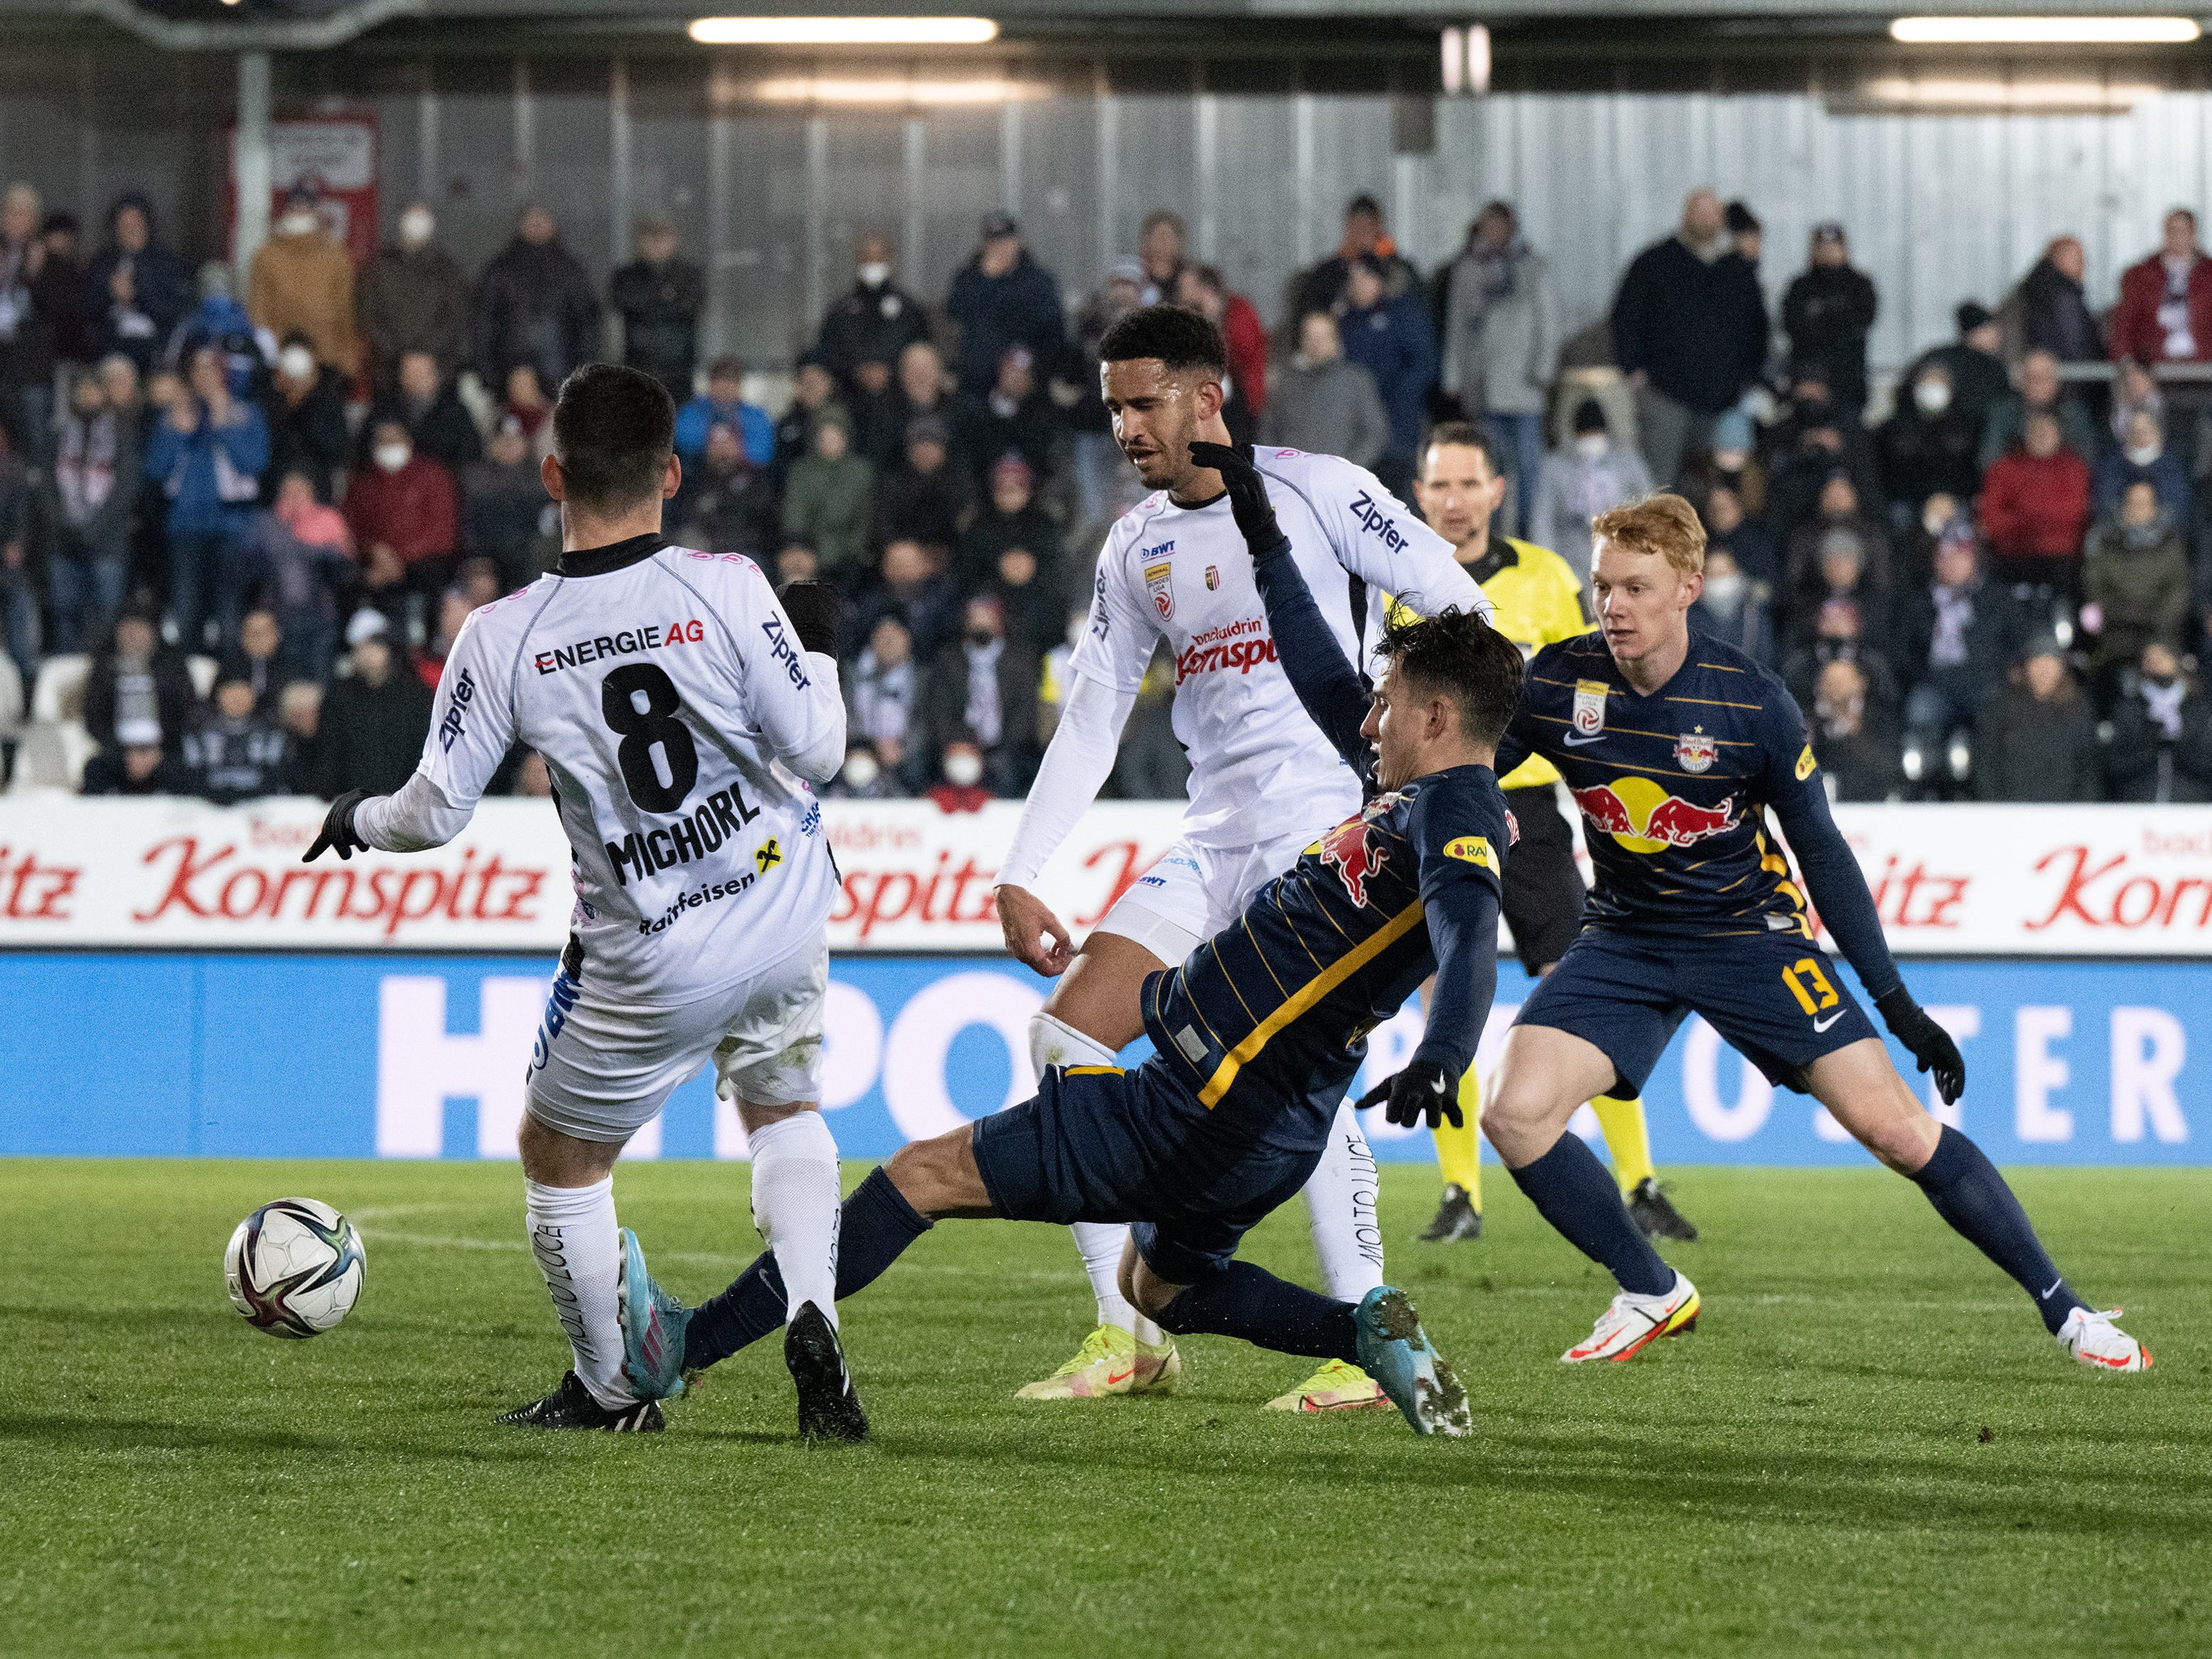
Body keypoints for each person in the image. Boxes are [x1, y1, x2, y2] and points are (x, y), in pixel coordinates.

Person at [624, 555, 1514, 1439]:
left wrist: (1445, 1049)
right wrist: (1270, 549)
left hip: (1195, 1104)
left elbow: (1471, 928)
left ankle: (684, 1344)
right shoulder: (1417, 795)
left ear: (1437, 716)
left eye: (1388, 702)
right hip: (1271, 1126)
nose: (1368, 720)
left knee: (918, 1174)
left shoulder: (1459, 808)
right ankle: (1362, 1329)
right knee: (1158, 1287)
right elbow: (1325, 681)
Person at [299, 362, 855, 1435]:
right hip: (783, 904)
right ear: (674, 473)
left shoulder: (503, 634)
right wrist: (817, 644)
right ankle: (812, 1307)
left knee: (560, 1156)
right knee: (783, 1109)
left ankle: (609, 1388)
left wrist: (351, 817)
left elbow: (430, 813)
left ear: (552, 472)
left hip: (652, 950)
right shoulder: (731, 584)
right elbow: (820, 750)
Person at [1474, 494, 2147, 1372]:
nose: (1615, 606)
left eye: (1636, 588)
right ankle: (1649, 1287)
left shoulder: (1750, 700)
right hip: (1627, 937)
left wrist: (1898, 1005)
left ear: (1689, 586)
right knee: (1514, 1114)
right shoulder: (1560, 681)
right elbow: (1468, 759)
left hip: (1748, 934)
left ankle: (2069, 1311)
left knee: (1902, 1133)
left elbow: (1823, 855)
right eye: (1604, 587)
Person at [985, 305, 1486, 1411]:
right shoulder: (1135, 546)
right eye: (1111, 405)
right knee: (1062, 1029)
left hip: (1322, 838)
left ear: (1206, 398)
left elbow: (1461, 603)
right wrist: (1021, 866)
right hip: (1212, 841)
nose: (1122, 427)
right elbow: (1091, 715)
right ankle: (1128, 1336)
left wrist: (1408, 737)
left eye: (1141, 401)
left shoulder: (1324, 489)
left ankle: (1360, 1330)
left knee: (1292, 1076)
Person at [1405, 422, 1695, 1245]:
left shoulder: (1547, 575)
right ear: (1420, 495)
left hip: (1531, 816)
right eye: (1439, 486)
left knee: (1585, 990)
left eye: (1468, 484)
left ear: (1497, 490)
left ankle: (1638, 1181)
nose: (1453, 500)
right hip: (1441, 810)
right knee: (1440, 997)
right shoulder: (1401, 582)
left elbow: (1596, 683)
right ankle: (1461, 1193)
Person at [1609, 189, 1769, 485]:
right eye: (1699, 211)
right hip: (1665, 395)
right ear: (1686, 215)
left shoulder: (1737, 269)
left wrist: (1747, 377)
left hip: (1722, 400)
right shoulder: (1655, 262)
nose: (1706, 219)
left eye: (1712, 213)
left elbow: (1757, 328)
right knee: (1660, 486)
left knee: (1713, 485)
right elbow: (1625, 318)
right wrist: (1633, 370)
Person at [1439, 202, 1556, 535]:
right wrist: (1454, 377)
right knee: (1490, 470)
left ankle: (1528, 535)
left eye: (1498, 225)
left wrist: (1543, 371)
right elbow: (1456, 326)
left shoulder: (1532, 267)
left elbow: (1547, 321)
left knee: (1529, 472)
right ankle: (1493, 537)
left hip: (1523, 386)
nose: (1492, 232)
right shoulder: (1467, 269)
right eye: (1486, 225)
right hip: (1483, 384)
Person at [146, 341, 270, 651]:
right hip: (185, 524)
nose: (204, 378)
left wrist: (224, 425)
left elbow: (255, 463)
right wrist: (176, 432)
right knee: (186, 608)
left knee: (229, 609)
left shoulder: (245, 413)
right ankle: (189, 677)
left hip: (231, 524)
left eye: (211, 370)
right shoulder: (175, 414)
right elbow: (155, 469)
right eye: (197, 371)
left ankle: (228, 678)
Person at [1892, 521, 2009, 761]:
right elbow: (1902, 652)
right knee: (1920, 708)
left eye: (1959, 556)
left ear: (1974, 560)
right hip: (1935, 685)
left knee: (1999, 713)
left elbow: (2015, 645)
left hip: (1983, 686)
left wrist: (1995, 673)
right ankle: (1924, 783)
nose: (1951, 563)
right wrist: (1924, 676)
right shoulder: (1919, 602)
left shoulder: (1996, 598)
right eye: (1944, 556)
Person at [42, 366, 139, 654]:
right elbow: (47, 484)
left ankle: (100, 681)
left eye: (93, 389)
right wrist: (62, 522)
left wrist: (95, 529)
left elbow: (125, 490)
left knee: (106, 618)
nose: (87, 395)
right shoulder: (59, 433)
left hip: (107, 544)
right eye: (81, 389)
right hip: (63, 542)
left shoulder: (122, 433)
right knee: (65, 615)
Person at [1335, 254, 1437, 499]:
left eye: (1363, 278)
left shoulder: (1404, 314)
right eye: (1352, 279)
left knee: (1398, 497)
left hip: (1398, 427)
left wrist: (1399, 399)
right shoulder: (1345, 321)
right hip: (1357, 431)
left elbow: (1424, 363)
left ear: (1377, 281)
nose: (1356, 285)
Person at [918, 593, 1036, 793]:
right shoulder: (949, 660)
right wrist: (959, 743)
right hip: (956, 747)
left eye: (987, 619)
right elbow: (938, 709)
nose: (981, 625)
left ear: (1000, 622)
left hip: (1005, 749)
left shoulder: (1020, 661)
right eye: (975, 619)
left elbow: (1025, 713)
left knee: (1009, 771)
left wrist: (1001, 747)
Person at [240, 469, 352, 681]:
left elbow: (344, 567)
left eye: (301, 491)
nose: (295, 496)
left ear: (312, 492)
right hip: (277, 616)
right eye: (289, 491)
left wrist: (315, 542)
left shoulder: (329, 520)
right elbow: (248, 564)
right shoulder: (265, 523)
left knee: (320, 679)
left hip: (320, 615)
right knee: (285, 679)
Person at [474, 206, 601, 391]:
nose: (537, 226)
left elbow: (588, 323)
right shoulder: (500, 269)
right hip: (510, 377)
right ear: (521, 225)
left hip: (560, 373)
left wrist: (581, 373)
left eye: (542, 220)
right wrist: (490, 374)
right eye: (531, 221)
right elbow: (484, 322)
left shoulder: (571, 271)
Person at [345, 416, 461, 617]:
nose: (389, 446)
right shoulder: (362, 483)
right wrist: (373, 550)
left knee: (431, 575)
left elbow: (443, 531)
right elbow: (351, 528)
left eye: (395, 440)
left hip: (425, 563)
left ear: (408, 441)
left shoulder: (433, 476)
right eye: (383, 441)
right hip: (376, 565)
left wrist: (400, 559)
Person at [1529, 400, 1652, 580]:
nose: (1592, 440)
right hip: (1571, 563)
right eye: (1587, 435)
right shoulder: (1555, 466)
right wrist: (1548, 568)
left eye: (1597, 434)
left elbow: (1651, 509)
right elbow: (1542, 521)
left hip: (1623, 558)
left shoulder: (1628, 461)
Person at [2082, 479, 2192, 680]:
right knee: (2102, 674)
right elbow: (2094, 588)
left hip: (2160, 633)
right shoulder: (2104, 543)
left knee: (2163, 668)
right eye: (2133, 503)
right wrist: (2121, 616)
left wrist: (2151, 624)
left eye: (2145, 503)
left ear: (2155, 507)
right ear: (2123, 506)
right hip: (2114, 632)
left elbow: (2177, 593)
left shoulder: (2172, 545)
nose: (2139, 509)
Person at [944, 212, 1064, 397]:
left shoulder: (1038, 280)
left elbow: (1051, 325)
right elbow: (956, 312)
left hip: (1026, 363)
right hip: (979, 368)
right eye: (994, 243)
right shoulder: (968, 278)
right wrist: (988, 281)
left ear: (1017, 242)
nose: (1000, 249)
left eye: (1006, 242)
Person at [356, 201, 472, 390]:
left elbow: (456, 317)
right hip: (388, 372)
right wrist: (400, 354)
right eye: (411, 217)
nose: (416, 224)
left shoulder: (448, 269)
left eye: (421, 218)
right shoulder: (379, 266)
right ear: (401, 223)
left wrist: (426, 355)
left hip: (436, 372)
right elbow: (367, 316)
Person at [1973, 638, 2103, 803]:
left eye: (2051, 663)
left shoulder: (2078, 709)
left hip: (2064, 812)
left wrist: (2081, 812)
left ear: (2062, 668)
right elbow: (1986, 763)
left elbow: (2089, 769)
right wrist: (1997, 808)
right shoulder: (2001, 709)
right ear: (2026, 667)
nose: (2044, 671)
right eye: (2038, 663)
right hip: (2012, 810)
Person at [246, 186, 357, 376]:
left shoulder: (336, 256)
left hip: (326, 356)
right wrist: (268, 353)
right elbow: (259, 308)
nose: (300, 214)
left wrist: (346, 358)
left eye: (305, 209)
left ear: (315, 212)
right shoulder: (266, 256)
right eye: (295, 209)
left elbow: (345, 310)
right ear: (286, 212)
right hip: (280, 357)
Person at [1259, 310, 1391, 469]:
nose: (1316, 343)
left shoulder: (1356, 380)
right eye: (1310, 336)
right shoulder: (1287, 380)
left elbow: (1374, 433)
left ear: (1335, 340)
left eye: (1322, 337)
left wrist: (1348, 468)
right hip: (1293, 477)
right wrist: (1278, 466)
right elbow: (1269, 429)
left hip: (1340, 480)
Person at [1979, 409, 2091, 591]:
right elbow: (1992, 516)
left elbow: (2074, 512)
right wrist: (2033, 523)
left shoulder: (2075, 469)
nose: (2042, 436)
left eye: (2048, 432)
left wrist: (2023, 518)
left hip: (2062, 557)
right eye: (2036, 431)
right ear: (2025, 435)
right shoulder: (2002, 469)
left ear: (2059, 435)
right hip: (2013, 555)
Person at [86, 192, 190, 373]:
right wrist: (111, 294)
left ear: (147, 224)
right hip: (112, 345)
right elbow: (89, 307)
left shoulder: (166, 261)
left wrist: (135, 296)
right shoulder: (103, 261)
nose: (129, 229)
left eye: (135, 222)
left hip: (154, 347)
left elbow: (172, 309)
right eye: (124, 224)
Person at [607, 213, 704, 402]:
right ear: (641, 241)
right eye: (652, 238)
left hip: (679, 368)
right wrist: (665, 296)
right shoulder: (626, 276)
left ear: (674, 240)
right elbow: (622, 302)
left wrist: (652, 301)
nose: (658, 244)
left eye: (663, 237)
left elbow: (690, 304)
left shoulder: (689, 275)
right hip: (639, 366)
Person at [1781, 223, 1878, 412]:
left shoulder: (1860, 286)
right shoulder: (1800, 287)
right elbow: (1794, 327)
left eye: (1834, 245)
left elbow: (1859, 325)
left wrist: (1822, 319)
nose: (1829, 251)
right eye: (1823, 246)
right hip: (1808, 381)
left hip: (1848, 385)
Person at [815, 233, 930, 389]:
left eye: (878, 259)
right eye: (867, 259)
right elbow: (826, 353)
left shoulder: (909, 310)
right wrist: (859, 371)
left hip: (899, 395)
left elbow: (922, 351)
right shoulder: (840, 311)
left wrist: (890, 370)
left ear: (890, 261)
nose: (873, 265)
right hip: (851, 393)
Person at [83, 605, 196, 758]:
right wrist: (125, 751)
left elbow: (187, 711)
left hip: (165, 750)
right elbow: (94, 717)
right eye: (127, 629)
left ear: (153, 633)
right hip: (117, 751)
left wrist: (156, 748)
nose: (133, 635)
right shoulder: (104, 667)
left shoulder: (173, 664)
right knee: (95, 770)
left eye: (139, 629)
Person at [2105, 641, 2212, 801]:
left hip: (2190, 805)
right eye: (2149, 660)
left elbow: (2205, 762)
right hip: (2138, 803)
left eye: (2162, 657)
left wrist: (2177, 747)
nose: (2156, 664)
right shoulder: (2130, 707)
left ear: (2177, 661)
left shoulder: (2198, 708)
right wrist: (2150, 746)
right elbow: (2114, 762)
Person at [779, 406, 873, 584]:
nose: (829, 442)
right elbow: (794, 515)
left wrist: (852, 548)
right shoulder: (801, 470)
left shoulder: (861, 471)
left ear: (845, 439)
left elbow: (865, 518)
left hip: (849, 551)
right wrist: (803, 547)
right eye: (824, 437)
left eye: (835, 436)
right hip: (809, 547)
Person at [2110, 208, 2212, 370]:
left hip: (2203, 368)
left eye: (2182, 231)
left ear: (2194, 235)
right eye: (2171, 230)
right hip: (2153, 369)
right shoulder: (2140, 276)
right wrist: (2128, 367)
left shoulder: (2208, 274)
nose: (2177, 237)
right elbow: (2124, 325)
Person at [462, 414, 551, 594]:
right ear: (493, 442)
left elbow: (548, 526)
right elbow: (467, 523)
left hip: (528, 555)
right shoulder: (475, 477)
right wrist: (476, 556)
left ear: (526, 442)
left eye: (516, 438)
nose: (509, 444)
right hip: (487, 553)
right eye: (503, 438)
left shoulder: (543, 477)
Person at [1298, 193, 1423, 318]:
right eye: (1357, 226)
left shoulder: (1400, 270)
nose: (1362, 234)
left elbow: (1417, 311)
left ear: (1379, 228)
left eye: (1368, 226)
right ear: (1347, 228)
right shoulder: (1327, 273)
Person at [261, 331, 352, 501]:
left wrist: (306, 402)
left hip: (316, 488)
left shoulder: (329, 393)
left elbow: (336, 449)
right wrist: (281, 400)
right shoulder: (267, 391)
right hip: (275, 488)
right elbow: (265, 445)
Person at [1978, 348, 2099, 476]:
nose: (2038, 382)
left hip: (2063, 484)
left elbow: (2089, 459)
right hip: (2016, 484)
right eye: (2032, 377)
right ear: (2020, 382)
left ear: (2056, 381)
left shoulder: (2073, 413)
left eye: (2045, 376)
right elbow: (1989, 459)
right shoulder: (2003, 413)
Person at [953, 344, 1056, 490]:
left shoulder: (1041, 417)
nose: (1016, 378)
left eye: (1023, 373)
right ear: (1000, 372)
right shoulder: (977, 414)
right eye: (1011, 371)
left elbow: (1046, 463)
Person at [183, 667, 289, 805]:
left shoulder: (271, 731)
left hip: (259, 805)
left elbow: (275, 776)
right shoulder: (198, 730)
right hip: (210, 807)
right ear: (218, 695)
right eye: (230, 692)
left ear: (254, 697)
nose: (237, 699)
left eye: (244, 692)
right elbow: (193, 777)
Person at [374, 348, 483, 474]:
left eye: (422, 372)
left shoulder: (456, 412)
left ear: (435, 376)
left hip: (442, 484)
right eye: (410, 372)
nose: (416, 379)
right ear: (401, 376)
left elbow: (471, 456)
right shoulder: (384, 410)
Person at [872, 415, 970, 553]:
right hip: (903, 557)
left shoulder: (959, 482)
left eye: (933, 444)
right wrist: (903, 550)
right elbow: (882, 525)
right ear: (909, 450)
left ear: (943, 450)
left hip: (948, 557)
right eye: (920, 444)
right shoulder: (892, 482)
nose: (926, 451)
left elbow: (965, 525)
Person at [1915, 302, 2011, 442]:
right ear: (1977, 332)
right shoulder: (1991, 368)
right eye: (1992, 330)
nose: (1998, 337)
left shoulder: (1937, 355)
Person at [1807, 657, 1898, 801]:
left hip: (1870, 798)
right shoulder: (1811, 723)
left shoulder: (1877, 718)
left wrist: (1854, 732)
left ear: (1860, 683)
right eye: (1829, 682)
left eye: (1841, 681)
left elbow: (1888, 764)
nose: (1835, 688)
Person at [845, 610, 918, 791]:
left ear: (908, 639)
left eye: (895, 635)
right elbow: (842, 715)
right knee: (858, 768)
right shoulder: (850, 674)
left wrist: (903, 747)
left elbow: (927, 723)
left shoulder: (924, 678)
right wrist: (865, 746)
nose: (888, 642)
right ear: (871, 642)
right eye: (882, 636)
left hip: (908, 760)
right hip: (858, 754)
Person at [2013, 235, 2104, 366]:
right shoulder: (2062, 296)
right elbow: (2075, 346)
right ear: (2057, 258)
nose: (2083, 263)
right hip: (2064, 376)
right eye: (2076, 258)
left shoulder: (2036, 289)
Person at [2093, 408, 2189, 526]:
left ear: (2157, 432)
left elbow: (2177, 507)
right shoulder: (2112, 465)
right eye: (2135, 431)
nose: (2140, 436)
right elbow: (2105, 504)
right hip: (2119, 534)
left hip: (2163, 536)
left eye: (2145, 431)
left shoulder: (2171, 466)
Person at [673, 356, 774, 467]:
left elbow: (764, 451)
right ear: (710, 384)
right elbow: (682, 441)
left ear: (739, 386)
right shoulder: (692, 411)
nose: (725, 386)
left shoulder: (756, 416)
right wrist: (710, 446)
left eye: (731, 380)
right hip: (698, 474)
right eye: (719, 379)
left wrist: (737, 450)